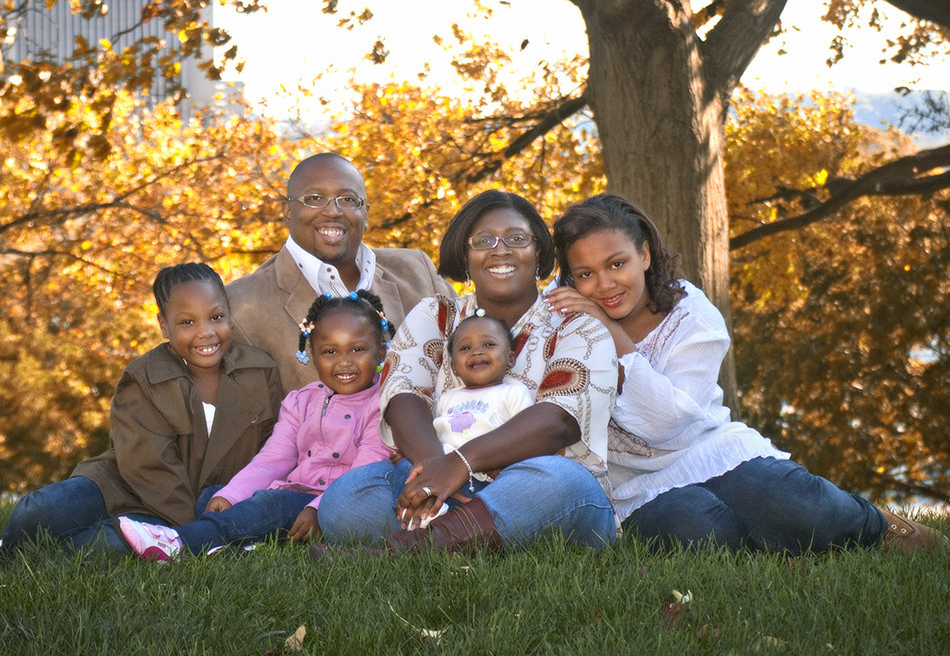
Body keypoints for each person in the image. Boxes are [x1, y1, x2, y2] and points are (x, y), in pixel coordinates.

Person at [547, 193, 949, 554]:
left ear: (646, 255)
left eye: (617, 264)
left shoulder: (690, 314)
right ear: (569, 277)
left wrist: (614, 334)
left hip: (706, 451)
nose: (604, 285)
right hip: (632, 485)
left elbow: (666, 420)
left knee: (795, 502)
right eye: (585, 274)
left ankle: (878, 526)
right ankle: (782, 552)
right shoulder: (564, 317)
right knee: (699, 532)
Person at [312, 190, 618, 557]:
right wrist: (434, 473)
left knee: (562, 482)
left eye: (517, 239)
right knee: (345, 500)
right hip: (441, 483)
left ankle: (415, 549)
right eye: (483, 240)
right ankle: (474, 540)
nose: (500, 249)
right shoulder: (436, 315)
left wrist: (460, 463)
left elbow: (558, 423)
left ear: (538, 253)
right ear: (465, 256)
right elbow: (402, 394)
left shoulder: (578, 326)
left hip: (537, 491)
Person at [0, 263, 282, 555]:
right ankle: (10, 548)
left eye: (216, 317)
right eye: (187, 322)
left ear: (229, 315)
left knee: (100, 548)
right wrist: (196, 531)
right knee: (37, 512)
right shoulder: (143, 377)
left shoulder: (259, 371)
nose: (206, 332)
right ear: (164, 326)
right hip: (126, 486)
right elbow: (149, 467)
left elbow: (273, 450)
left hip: (195, 505)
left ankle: (56, 554)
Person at [115, 291, 393, 561]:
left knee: (269, 506)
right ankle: (241, 546)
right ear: (313, 353)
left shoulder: (381, 405)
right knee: (213, 497)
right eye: (330, 351)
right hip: (290, 493)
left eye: (357, 349)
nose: (344, 362)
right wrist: (231, 495)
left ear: (380, 350)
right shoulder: (301, 401)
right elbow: (273, 458)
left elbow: (364, 473)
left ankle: (178, 543)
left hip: (332, 504)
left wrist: (316, 509)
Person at [226, 153, 455, 396]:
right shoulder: (240, 307)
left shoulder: (416, 270)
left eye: (347, 199)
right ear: (287, 211)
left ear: (366, 214)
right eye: (314, 198)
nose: (333, 211)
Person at [433, 314, 534, 482]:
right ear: (454, 367)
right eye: (465, 348)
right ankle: (424, 508)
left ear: (509, 359)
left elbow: (527, 439)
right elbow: (436, 436)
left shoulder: (513, 393)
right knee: (406, 466)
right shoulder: (447, 398)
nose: (477, 352)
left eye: (488, 344)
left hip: (489, 475)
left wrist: (506, 463)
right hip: (446, 472)